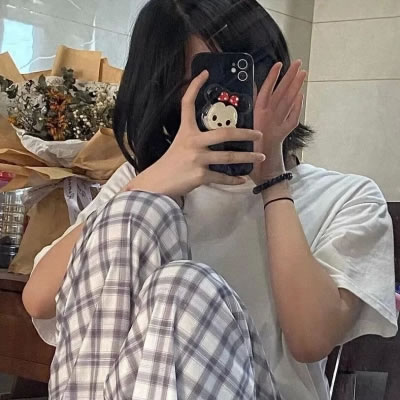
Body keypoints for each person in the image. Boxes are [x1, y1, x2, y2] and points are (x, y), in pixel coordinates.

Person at [22, 0, 398, 399]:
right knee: (136, 213)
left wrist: (272, 176)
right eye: (200, 83)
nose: (226, 99)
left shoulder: (349, 197)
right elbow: (40, 299)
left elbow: (311, 339)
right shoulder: (143, 186)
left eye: (239, 72)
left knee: (182, 287)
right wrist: (149, 182)